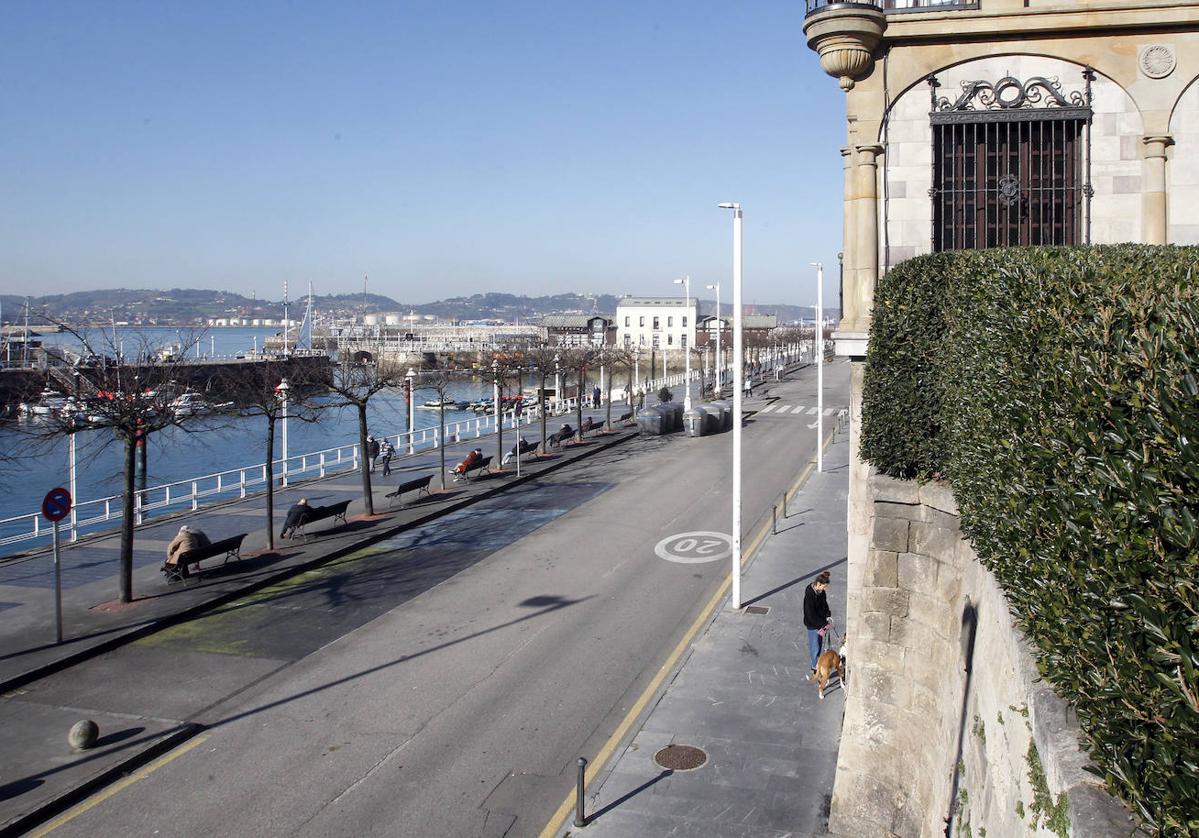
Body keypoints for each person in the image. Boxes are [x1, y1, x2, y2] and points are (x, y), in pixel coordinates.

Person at [803, 571, 833, 677]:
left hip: (820, 624)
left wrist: (827, 613)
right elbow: (810, 613)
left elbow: (824, 604)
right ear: (818, 584)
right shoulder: (810, 595)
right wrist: (823, 623)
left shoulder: (821, 592)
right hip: (813, 624)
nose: (824, 589)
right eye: (824, 587)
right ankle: (815, 667)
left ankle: (816, 664)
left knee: (819, 644)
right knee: (815, 646)